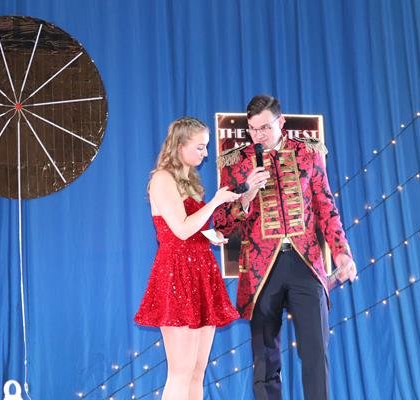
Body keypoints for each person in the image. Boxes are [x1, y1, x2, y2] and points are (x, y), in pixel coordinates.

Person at [214, 95, 357, 400]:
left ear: (281, 122)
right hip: (261, 270)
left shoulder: (308, 153)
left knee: (315, 353)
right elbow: (222, 222)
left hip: (306, 263)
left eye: (265, 128)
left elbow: (325, 207)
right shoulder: (237, 163)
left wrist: (342, 252)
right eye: (253, 129)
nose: (258, 135)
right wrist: (247, 193)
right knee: (265, 360)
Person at [134, 117, 240, 400]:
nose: (205, 153)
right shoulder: (162, 179)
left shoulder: (190, 181)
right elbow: (179, 230)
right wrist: (215, 202)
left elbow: (191, 228)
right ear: (180, 145)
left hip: (200, 270)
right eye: (200, 147)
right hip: (176, 273)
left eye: (206, 147)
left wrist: (210, 236)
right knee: (180, 371)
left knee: (196, 370)